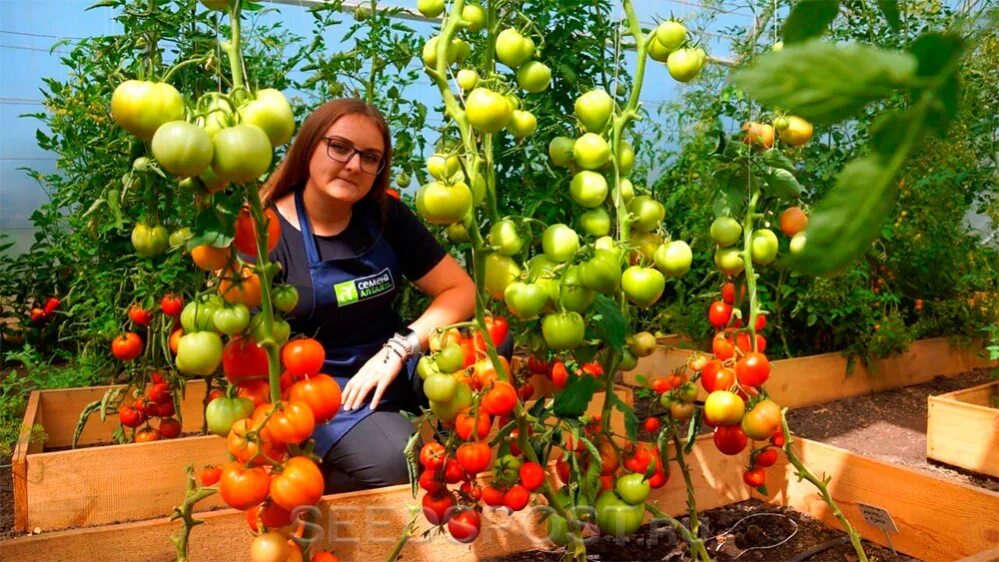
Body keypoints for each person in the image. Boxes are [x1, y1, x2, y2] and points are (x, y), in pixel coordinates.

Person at [261, 99, 476, 493]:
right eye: (339, 147)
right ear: (309, 146)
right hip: (327, 390)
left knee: (482, 350)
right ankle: (319, 478)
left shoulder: (384, 215)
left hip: (393, 363)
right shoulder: (267, 232)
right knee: (400, 461)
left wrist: (400, 349)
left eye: (370, 156)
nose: (353, 164)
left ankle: (450, 467)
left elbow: (459, 290)